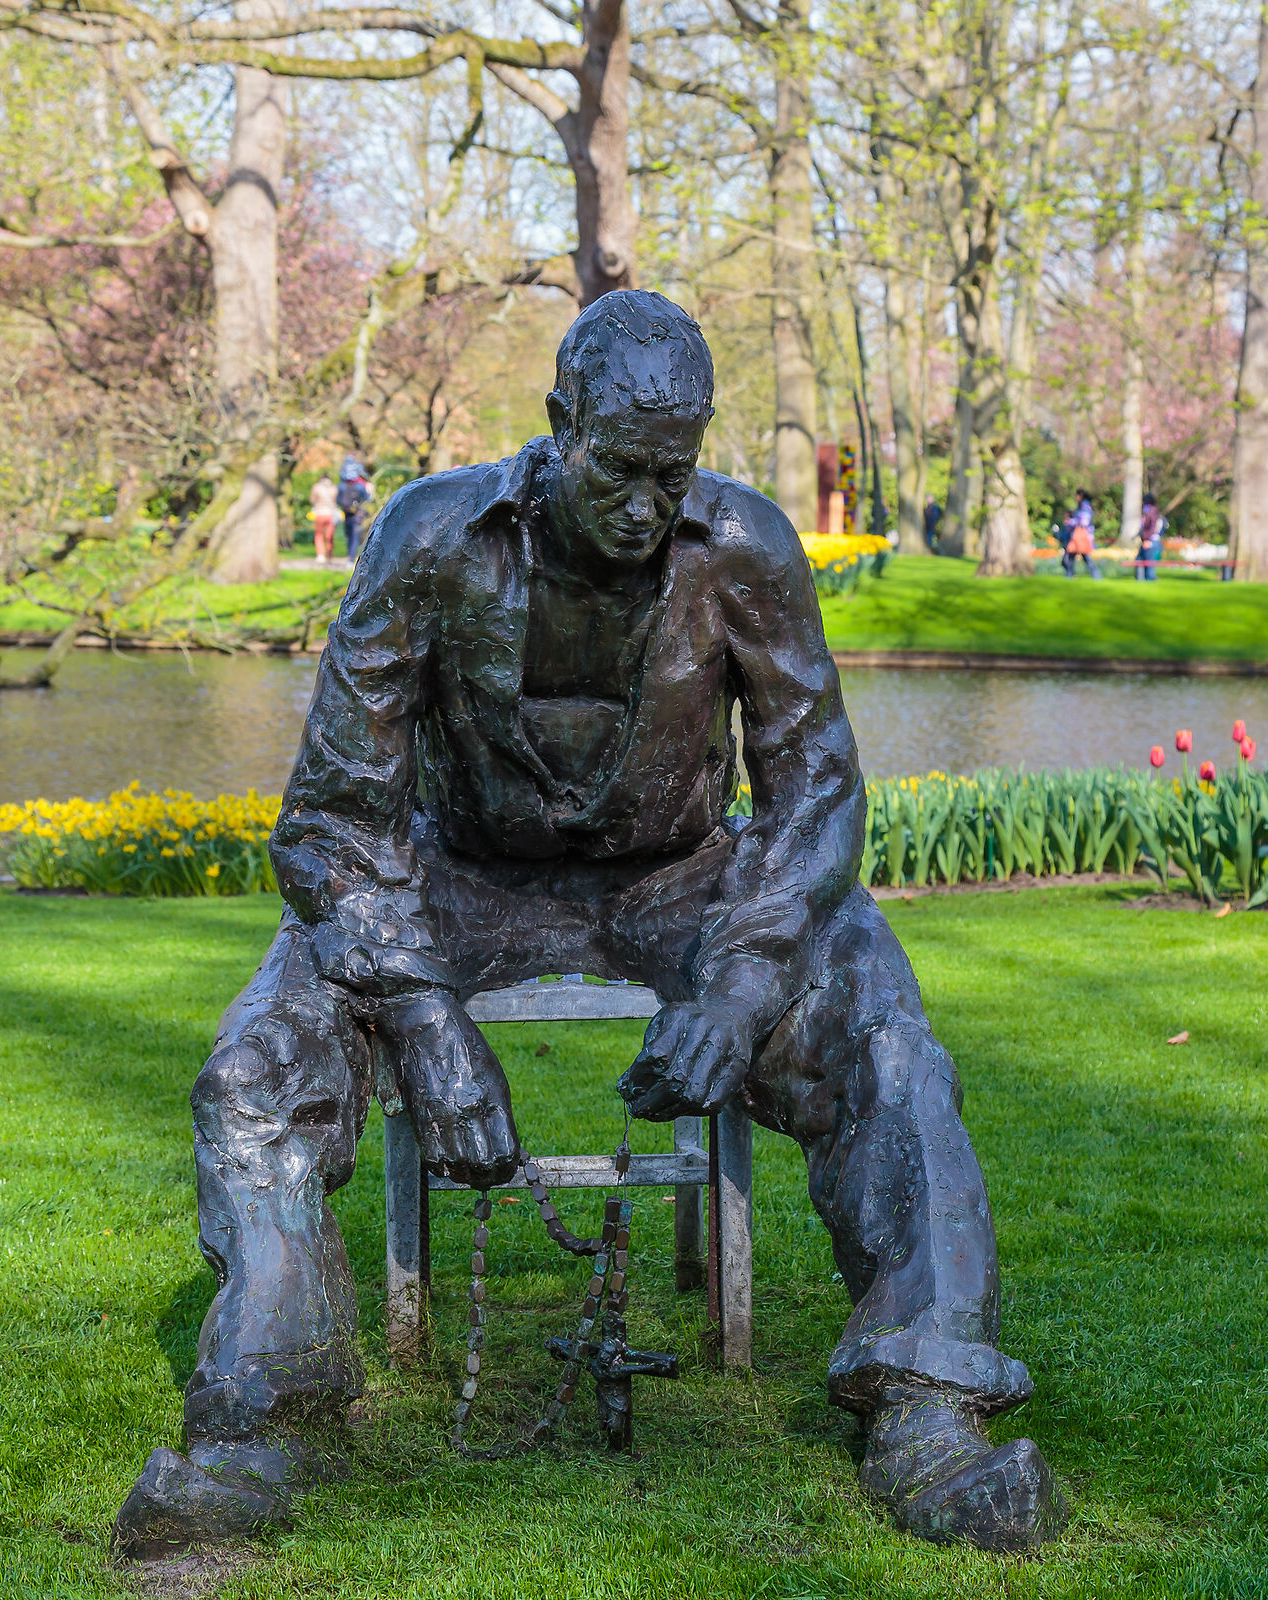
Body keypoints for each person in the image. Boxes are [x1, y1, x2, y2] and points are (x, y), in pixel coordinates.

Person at [111, 290, 1058, 1559]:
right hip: (457, 881)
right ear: (558, 427)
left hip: (684, 879)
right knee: (255, 1069)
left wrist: (742, 977)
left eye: (673, 474)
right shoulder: (429, 539)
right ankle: (261, 1416)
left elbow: (817, 790)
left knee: (883, 1028)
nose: (644, 505)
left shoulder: (745, 549)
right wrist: (421, 1010)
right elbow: (335, 818)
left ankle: (930, 1405)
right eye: (617, 467)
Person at [336, 456, 373, 558]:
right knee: (355, 536)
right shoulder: (360, 485)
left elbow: (338, 500)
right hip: (358, 514)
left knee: (348, 535)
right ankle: (351, 558)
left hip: (347, 512)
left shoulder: (341, 485)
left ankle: (350, 556)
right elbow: (368, 499)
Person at [307, 475, 341, 564]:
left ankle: (321, 555)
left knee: (319, 534)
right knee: (330, 536)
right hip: (331, 514)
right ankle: (329, 555)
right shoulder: (334, 488)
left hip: (320, 513)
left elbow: (312, 500)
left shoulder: (316, 487)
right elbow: (337, 500)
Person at [1135, 492, 1165, 581]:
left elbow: (1152, 527)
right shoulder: (1148, 511)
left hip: (1151, 540)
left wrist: (1147, 540)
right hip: (1147, 539)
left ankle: (1150, 579)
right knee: (1140, 560)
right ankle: (1141, 579)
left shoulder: (1151, 512)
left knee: (1148, 562)